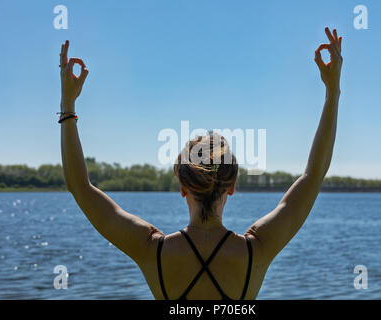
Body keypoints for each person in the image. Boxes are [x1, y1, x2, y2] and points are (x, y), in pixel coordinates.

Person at [58, 27, 343, 300]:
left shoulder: (152, 251)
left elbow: (80, 187)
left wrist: (68, 105)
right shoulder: (256, 251)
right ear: (231, 186)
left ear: (183, 187)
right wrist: (332, 91)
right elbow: (313, 175)